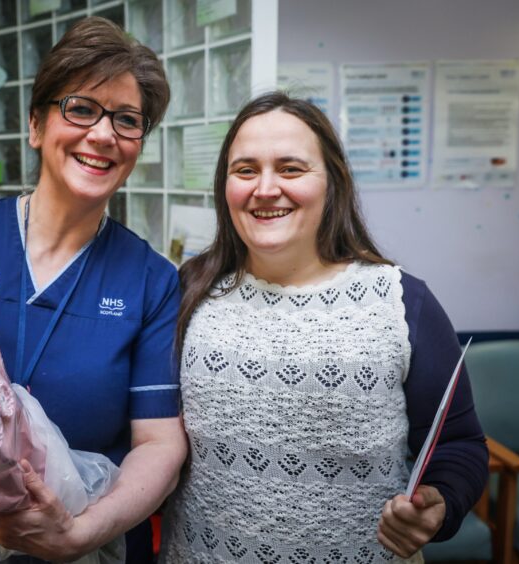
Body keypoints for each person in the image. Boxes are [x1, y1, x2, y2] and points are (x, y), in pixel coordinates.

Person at [0, 17, 187, 564]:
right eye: (80, 108)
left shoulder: (152, 281)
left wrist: (80, 533)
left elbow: (159, 444)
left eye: (127, 120)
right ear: (35, 125)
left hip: (86, 546)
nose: (103, 135)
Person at [160, 91, 488, 562]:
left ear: (331, 182)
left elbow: (460, 444)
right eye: (245, 170)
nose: (265, 188)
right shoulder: (188, 292)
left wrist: (439, 503)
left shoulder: (400, 303)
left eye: (291, 169)